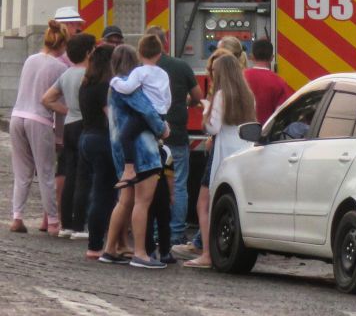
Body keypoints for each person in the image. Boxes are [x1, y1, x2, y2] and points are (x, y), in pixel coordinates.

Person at [185, 52, 255, 269]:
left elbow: (212, 127)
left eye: (214, 72)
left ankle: (206, 253)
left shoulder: (221, 95)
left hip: (222, 152)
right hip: (242, 152)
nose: (212, 74)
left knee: (203, 203)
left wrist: (206, 110)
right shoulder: (247, 95)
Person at [100, 44, 168, 268]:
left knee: (125, 201)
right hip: (144, 152)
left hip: (121, 152)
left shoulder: (113, 87)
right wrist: (162, 128)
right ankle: (140, 253)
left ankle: (109, 249)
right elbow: (147, 111)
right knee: (142, 202)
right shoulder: (131, 88)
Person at [9, 19, 73, 234]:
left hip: (17, 116)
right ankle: (54, 222)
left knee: (22, 173)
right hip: (39, 120)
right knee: (46, 172)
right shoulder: (60, 67)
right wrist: (59, 137)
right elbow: (59, 105)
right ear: (62, 44)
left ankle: (17, 217)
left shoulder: (30, 60)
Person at [146, 25, 201, 247]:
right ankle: (177, 231)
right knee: (178, 184)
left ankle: (156, 230)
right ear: (165, 43)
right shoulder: (181, 66)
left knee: (152, 182)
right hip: (177, 133)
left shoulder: (141, 69)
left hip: (151, 135)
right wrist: (186, 102)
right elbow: (197, 96)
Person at [41, 32, 96, 239]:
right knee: (84, 176)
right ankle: (80, 225)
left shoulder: (66, 74)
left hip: (69, 126)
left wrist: (66, 109)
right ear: (89, 52)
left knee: (70, 174)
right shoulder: (90, 75)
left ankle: (67, 224)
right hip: (85, 124)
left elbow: (46, 99)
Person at [110, 34, 171, 188]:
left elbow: (128, 88)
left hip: (144, 114)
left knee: (126, 136)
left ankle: (129, 169)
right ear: (159, 54)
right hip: (161, 113)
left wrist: (115, 81)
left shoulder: (139, 72)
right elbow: (168, 97)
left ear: (139, 53)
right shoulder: (163, 74)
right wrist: (163, 116)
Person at [77, 44, 116, 260]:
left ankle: (96, 241)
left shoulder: (86, 85)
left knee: (95, 190)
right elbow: (112, 119)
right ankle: (96, 244)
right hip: (102, 140)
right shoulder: (104, 88)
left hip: (86, 137)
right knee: (103, 194)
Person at [244, 37, 288, 123]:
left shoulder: (241, 77)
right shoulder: (279, 82)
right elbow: (281, 113)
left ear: (252, 56)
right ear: (272, 57)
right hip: (267, 132)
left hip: (242, 132)